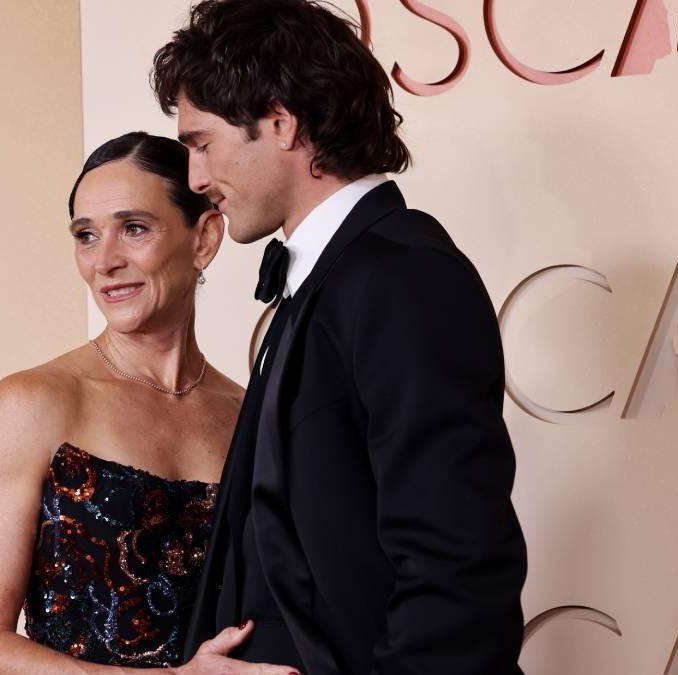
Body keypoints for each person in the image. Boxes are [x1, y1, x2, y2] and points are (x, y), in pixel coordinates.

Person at [151, 1, 529, 672]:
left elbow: (456, 571)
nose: (197, 180)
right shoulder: (332, 279)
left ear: (279, 121)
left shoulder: (403, 278)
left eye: (202, 143)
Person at [0, 132, 297, 674]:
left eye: (134, 229)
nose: (104, 261)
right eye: (86, 236)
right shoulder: (35, 403)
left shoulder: (247, 415)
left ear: (203, 238)